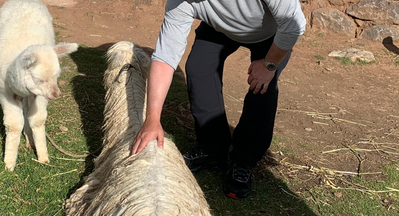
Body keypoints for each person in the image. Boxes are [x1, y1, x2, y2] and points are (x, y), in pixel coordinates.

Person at [130, 0, 306, 199]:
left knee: (262, 87)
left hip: (271, 34)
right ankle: (212, 149)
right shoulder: (180, 2)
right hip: (220, 28)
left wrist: (268, 65)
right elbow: (165, 57)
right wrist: (152, 118)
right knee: (198, 68)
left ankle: (244, 160)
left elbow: (294, 25)